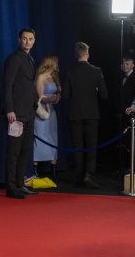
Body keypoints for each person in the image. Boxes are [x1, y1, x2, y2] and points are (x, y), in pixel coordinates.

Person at [61, 41, 109, 188]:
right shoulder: (96, 71)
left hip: (75, 114)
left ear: (76, 55)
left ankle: (78, 176)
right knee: (91, 145)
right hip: (92, 114)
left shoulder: (69, 70)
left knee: (78, 146)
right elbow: (105, 95)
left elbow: (65, 96)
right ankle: (89, 175)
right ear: (87, 54)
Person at [2, 28, 39, 199]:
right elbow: (7, 86)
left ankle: (20, 183)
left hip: (29, 112)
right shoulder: (13, 59)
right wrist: (10, 109)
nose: (27, 42)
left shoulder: (30, 59)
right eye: (24, 39)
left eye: (30, 39)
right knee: (14, 152)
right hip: (15, 113)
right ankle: (11, 187)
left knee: (25, 150)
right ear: (19, 40)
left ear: (34, 41)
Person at [32, 55, 62, 184]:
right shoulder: (41, 77)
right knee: (39, 138)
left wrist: (57, 98)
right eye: (55, 62)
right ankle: (35, 171)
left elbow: (58, 92)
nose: (57, 64)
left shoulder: (54, 77)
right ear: (50, 63)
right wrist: (50, 99)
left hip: (52, 112)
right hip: (42, 112)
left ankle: (53, 171)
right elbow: (40, 97)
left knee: (52, 138)